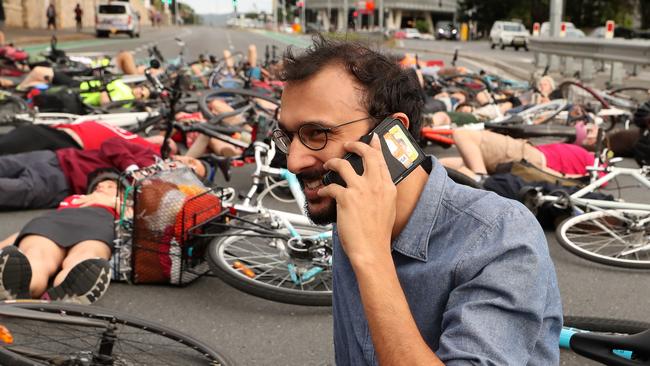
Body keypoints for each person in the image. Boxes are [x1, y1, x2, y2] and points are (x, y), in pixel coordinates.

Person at [274, 36, 562, 365]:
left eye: (316, 134)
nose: (294, 161)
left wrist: (372, 257)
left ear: (390, 136)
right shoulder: (348, 208)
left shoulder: (501, 237)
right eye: (288, 136)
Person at [0, 174, 125, 304]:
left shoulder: (127, 206)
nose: (101, 188)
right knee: (36, 254)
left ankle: (68, 294)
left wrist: (114, 203)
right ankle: (17, 289)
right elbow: (26, 231)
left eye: (110, 186)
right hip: (54, 223)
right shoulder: (75, 199)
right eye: (99, 186)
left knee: (84, 258)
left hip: (98, 226)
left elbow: (138, 225)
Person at [440, 124, 600, 181]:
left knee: (462, 134)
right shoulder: (584, 153)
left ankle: (479, 179)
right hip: (527, 155)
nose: (592, 131)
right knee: (442, 165)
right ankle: (478, 177)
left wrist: (557, 176)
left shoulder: (593, 160)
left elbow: (594, 178)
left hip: (529, 157)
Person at [0, 120, 174, 155]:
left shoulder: (148, 152)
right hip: (55, 132)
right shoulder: (137, 138)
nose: (165, 140)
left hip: (63, 142)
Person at [17, 66, 150, 106]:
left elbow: (105, 101)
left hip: (77, 92)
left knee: (39, 72)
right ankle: (17, 91)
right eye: (142, 89)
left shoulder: (126, 99)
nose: (140, 92)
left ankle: (17, 93)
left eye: (143, 95)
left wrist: (104, 88)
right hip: (80, 84)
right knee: (41, 73)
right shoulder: (125, 87)